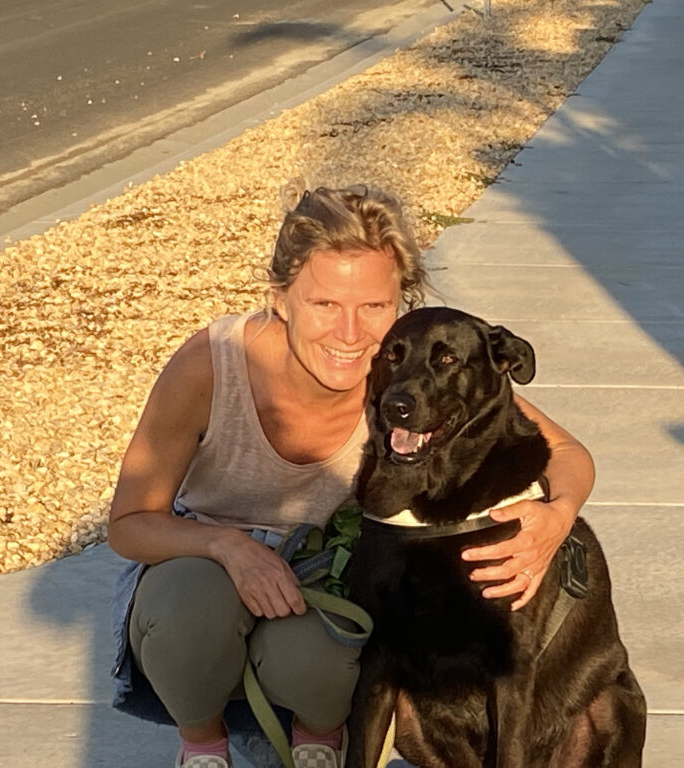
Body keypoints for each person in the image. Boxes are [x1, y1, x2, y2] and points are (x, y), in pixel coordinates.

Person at [107, 183, 595, 768]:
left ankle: (319, 735)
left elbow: (568, 453)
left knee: (329, 662)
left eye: (374, 308)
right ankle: (204, 744)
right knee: (187, 615)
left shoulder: (400, 375)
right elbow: (130, 524)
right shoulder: (212, 364)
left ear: (401, 306)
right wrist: (226, 545)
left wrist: (556, 517)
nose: (349, 334)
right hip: (205, 565)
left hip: (323, 580)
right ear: (281, 298)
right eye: (325, 305)